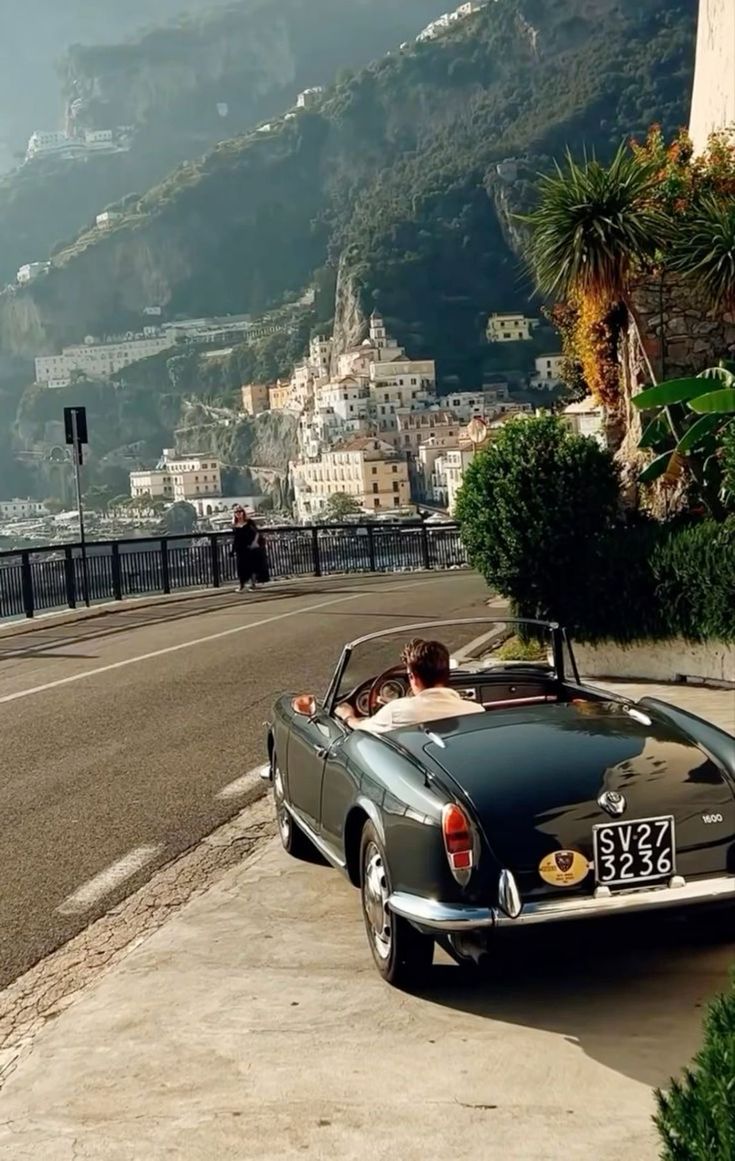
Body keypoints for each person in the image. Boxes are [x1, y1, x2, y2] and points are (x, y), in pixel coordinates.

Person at [335, 638, 486, 734]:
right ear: (447, 673)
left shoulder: (396, 712)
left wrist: (348, 716)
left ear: (413, 677)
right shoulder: (477, 712)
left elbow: (361, 727)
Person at [231, 506, 259, 592]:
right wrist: (233, 550)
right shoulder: (235, 524)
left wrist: (254, 542)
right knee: (240, 567)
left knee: (250, 566)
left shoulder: (249, 522)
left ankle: (253, 584)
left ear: (243, 512)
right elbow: (235, 538)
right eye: (236, 513)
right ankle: (241, 585)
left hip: (249, 546)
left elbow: (256, 533)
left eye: (240, 512)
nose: (238, 514)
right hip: (240, 548)